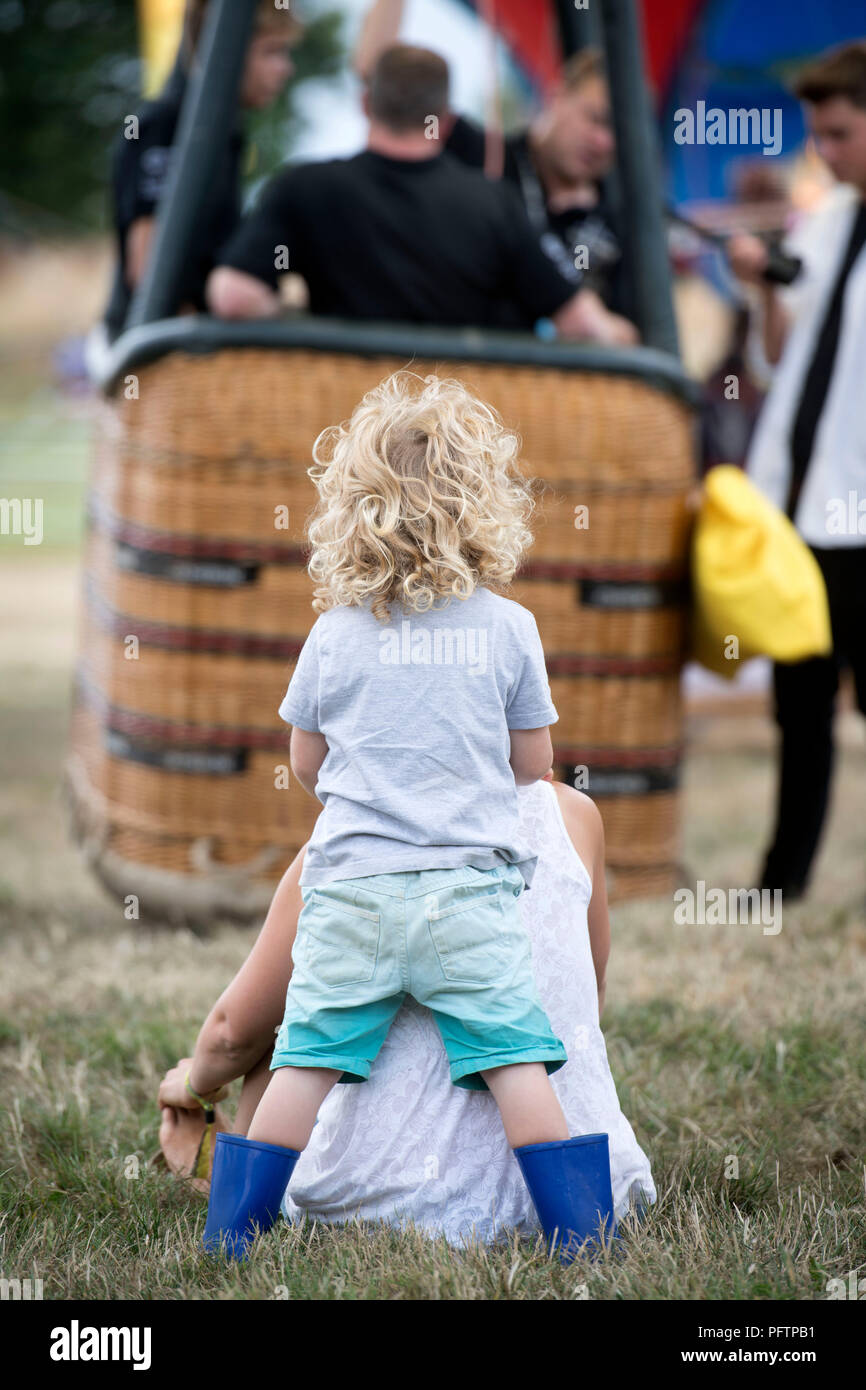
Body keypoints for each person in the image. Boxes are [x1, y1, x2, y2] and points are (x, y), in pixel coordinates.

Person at [192, 370, 624, 1261]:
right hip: (468, 900)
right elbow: (534, 765)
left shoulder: (333, 632)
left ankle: (231, 1237)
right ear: (486, 505)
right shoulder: (508, 627)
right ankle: (582, 1237)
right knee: (516, 1064)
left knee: (306, 1062)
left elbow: (307, 761)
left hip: (351, 896)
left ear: (350, 507)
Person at [157, 775, 656, 1250]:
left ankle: (226, 1195)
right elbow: (590, 996)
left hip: (375, 1206)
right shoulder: (575, 815)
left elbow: (231, 1035)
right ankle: (578, 1235)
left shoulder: (347, 836)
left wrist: (196, 1085)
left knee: (286, 1032)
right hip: (584, 1197)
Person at [206, 44, 637, 344]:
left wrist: (299, 324)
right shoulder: (496, 205)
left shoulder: (302, 188)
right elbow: (580, 325)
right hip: (451, 438)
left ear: (365, 105)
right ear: (444, 123)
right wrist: (631, 338)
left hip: (343, 434)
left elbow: (234, 295)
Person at [726, 41, 866, 900]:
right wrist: (762, 286)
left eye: (844, 133)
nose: (830, 153)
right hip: (802, 503)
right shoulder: (828, 218)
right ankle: (783, 881)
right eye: (821, 136)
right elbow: (778, 357)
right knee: (800, 706)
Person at [354, 0, 632, 324]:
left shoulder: (625, 223)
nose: (603, 142)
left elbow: (641, 333)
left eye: (619, 133)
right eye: (594, 118)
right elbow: (376, 71)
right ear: (557, 96)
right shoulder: (482, 155)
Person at [100, 0, 301, 342]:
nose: (286, 69)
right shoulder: (167, 124)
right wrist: (184, 348)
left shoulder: (223, 133)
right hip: (155, 348)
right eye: (272, 52)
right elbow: (148, 267)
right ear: (227, 54)